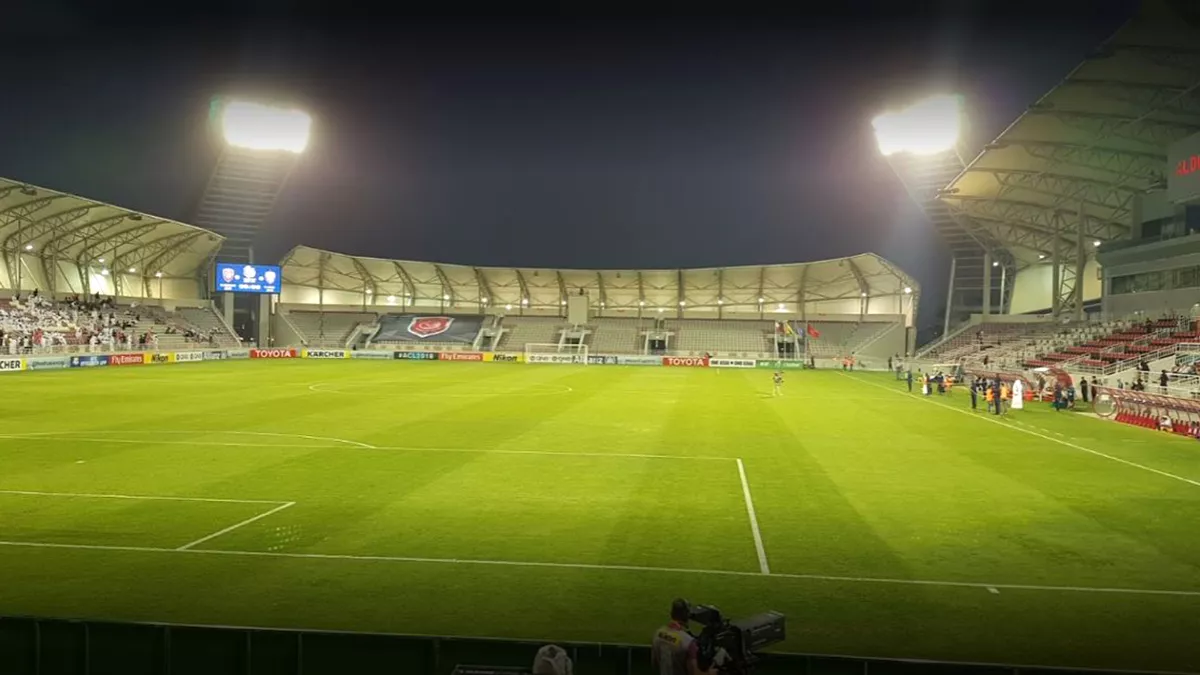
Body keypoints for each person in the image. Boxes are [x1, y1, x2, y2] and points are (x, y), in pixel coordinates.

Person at [652, 599, 715, 675]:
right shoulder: (688, 642)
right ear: (688, 615)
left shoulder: (658, 633)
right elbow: (695, 673)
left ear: (672, 613)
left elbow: (655, 663)